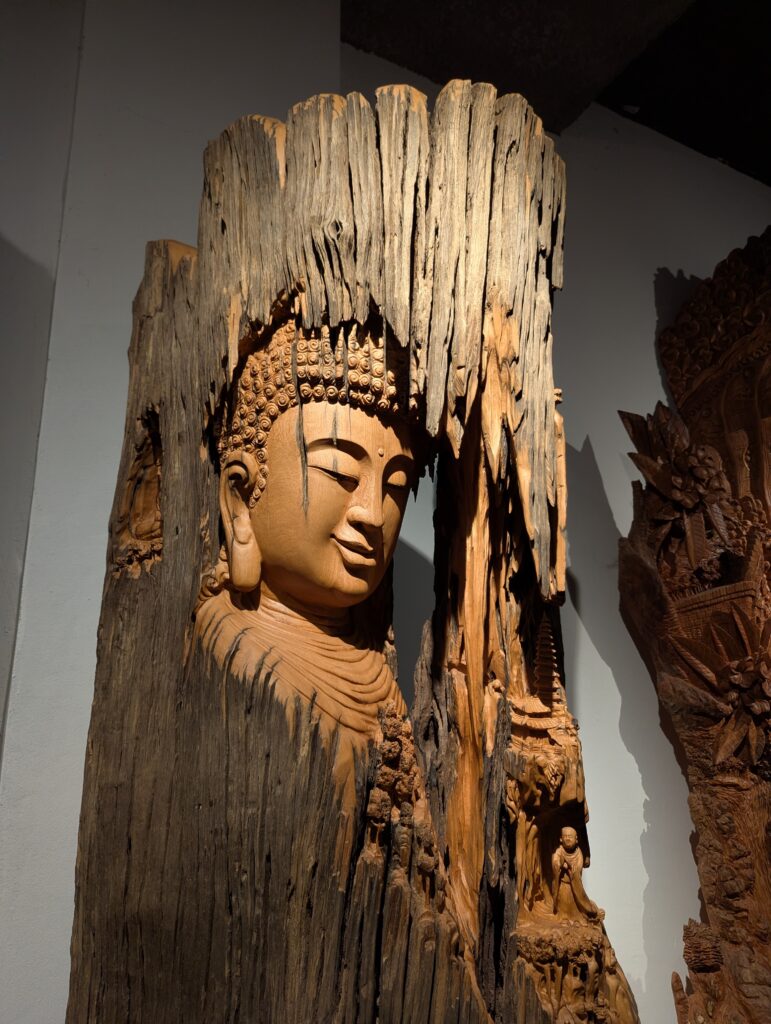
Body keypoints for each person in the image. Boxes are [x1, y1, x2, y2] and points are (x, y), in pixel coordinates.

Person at [195, 314, 418, 802]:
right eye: (339, 472)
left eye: (397, 486)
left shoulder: (374, 669)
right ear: (241, 496)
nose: (372, 514)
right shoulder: (239, 656)